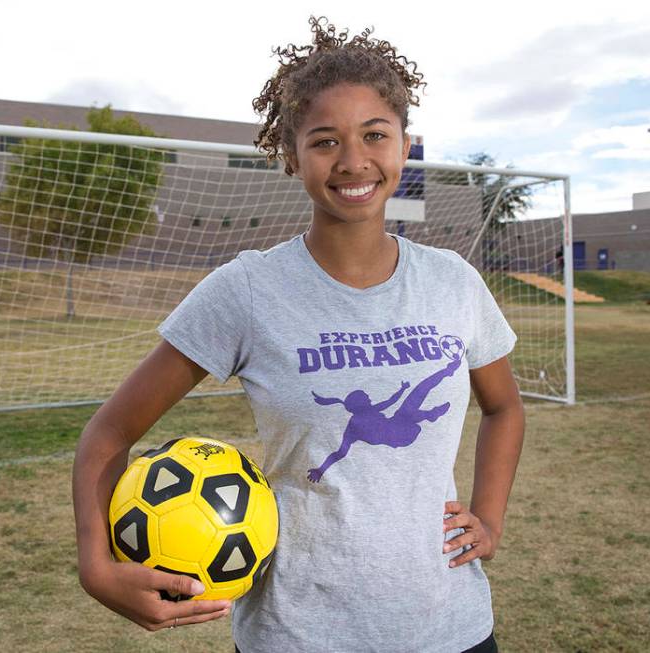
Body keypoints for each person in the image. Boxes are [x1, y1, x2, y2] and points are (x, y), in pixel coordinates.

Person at [72, 16, 524, 653]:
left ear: (403, 143)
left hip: (449, 627)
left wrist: (491, 517)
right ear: (291, 154)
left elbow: (503, 407)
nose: (353, 160)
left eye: (374, 134)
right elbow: (109, 432)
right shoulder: (248, 291)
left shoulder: (452, 282)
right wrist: (96, 567)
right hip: (300, 634)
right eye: (324, 141)